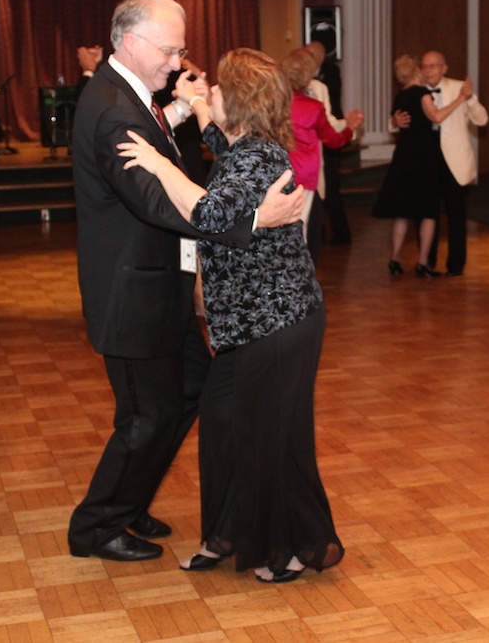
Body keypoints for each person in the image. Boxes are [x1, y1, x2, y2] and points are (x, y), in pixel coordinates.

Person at [68, 0, 303, 563]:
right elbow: (157, 203)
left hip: (157, 288)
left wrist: (181, 112)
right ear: (131, 41)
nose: (178, 63)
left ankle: (128, 498)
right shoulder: (114, 111)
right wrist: (254, 220)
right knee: (147, 415)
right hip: (134, 293)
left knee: (187, 392)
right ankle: (97, 526)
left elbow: (155, 139)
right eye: (170, 50)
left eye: (181, 50)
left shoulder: (128, 95)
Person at [118, 47, 344, 583]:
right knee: (221, 423)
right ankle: (226, 533)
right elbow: (218, 141)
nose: (210, 93)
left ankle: (288, 547)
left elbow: (210, 212)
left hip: (279, 323)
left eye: (218, 88)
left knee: (271, 437)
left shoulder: (258, 158)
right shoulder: (243, 145)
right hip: (251, 326)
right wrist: (197, 104)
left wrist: (157, 164)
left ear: (239, 101)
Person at [374, 55, 470, 278]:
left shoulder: (400, 97)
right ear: (417, 71)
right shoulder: (421, 94)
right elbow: (436, 116)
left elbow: (395, 121)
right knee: (428, 211)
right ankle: (423, 262)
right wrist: (459, 99)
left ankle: (395, 259)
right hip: (423, 156)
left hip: (403, 155)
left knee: (402, 212)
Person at [281, 48, 360, 264]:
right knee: (302, 226)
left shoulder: (276, 104)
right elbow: (333, 140)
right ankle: (300, 281)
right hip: (305, 173)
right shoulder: (313, 107)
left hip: (280, 170)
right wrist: (350, 129)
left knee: (284, 225)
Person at [419, 51, 489, 276]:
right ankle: (426, 261)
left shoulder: (460, 88)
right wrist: (394, 122)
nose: (429, 70)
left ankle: (456, 264)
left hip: (454, 159)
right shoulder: (415, 91)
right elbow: (399, 122)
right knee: (427, 212)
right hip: (427, 158)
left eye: (433, 66)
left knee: (456, 214)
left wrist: (468, 98)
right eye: (425, 66)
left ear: (444, 68)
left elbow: (482, 119)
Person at [305, 40, 357, 245]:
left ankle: (335, 233)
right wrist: (348, 128)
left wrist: (347, 128)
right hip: (307, 158)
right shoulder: (308, 94)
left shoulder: (327, 78)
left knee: (330, 189)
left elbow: (328, 128)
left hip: (318, 146)